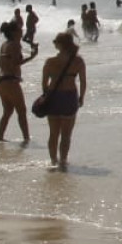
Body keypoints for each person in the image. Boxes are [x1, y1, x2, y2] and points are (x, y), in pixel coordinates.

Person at [39, 31, 87, 171]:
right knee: (66, 134)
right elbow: (83, 82)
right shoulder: (78, 61)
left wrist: (46, 97)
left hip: (53, 98)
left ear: (60, 45)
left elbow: (44, 84)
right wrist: (81, 97)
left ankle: (53, 160)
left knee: (53, 133)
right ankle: (63, 161)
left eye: (55, 42)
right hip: (70, 97)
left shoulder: (50, 62)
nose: (54, 43)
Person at [0, 20, 38, 143]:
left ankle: (0, 138)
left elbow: (0, 64)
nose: (22, 31)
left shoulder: (5, 44)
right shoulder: (15, 45)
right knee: (22, 110)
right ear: (14, 32)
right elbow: (16, 63)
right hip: (10, 81)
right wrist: (32, 56)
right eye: (20, 30)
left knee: (8, 111)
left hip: (0, 81)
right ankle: (26, 139)